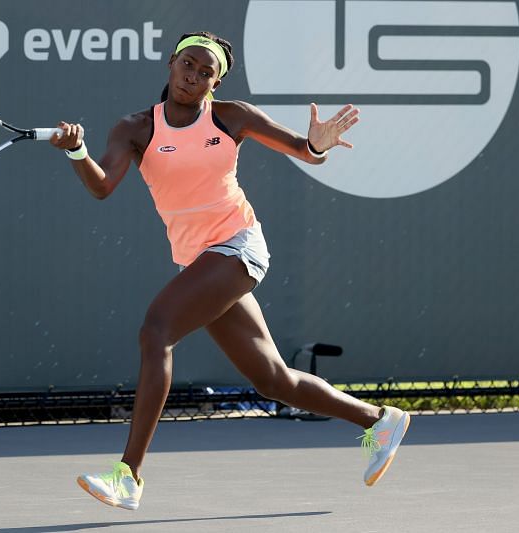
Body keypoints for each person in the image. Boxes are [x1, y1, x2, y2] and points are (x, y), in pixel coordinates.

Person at [50, 31, 410, 511]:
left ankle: (128, 474)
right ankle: (378, 420)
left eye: (206, 73)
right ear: (171, 63)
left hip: (237, 246)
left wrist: (317, 145)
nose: (194, 77)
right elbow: (101, 187)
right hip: (198, 261)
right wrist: (78, 152)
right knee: (273, 380)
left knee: (156, 331)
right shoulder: (134, 129)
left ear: (214, 84)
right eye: (189, 65)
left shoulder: (231, 116)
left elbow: (303, 149)